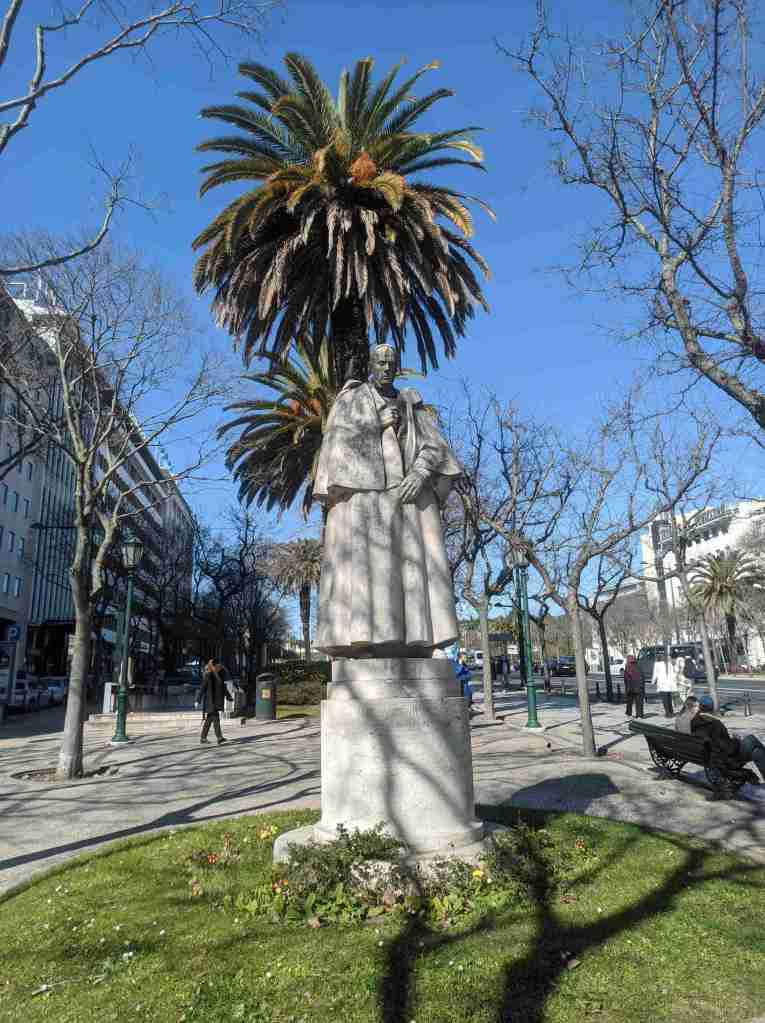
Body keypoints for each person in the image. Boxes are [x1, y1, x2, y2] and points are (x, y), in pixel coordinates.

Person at [314, 343, 463, 657]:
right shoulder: (352, 399)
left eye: (391, 363)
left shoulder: (411, 403)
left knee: (412, 572)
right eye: (380, 362)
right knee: (372, 570)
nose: (385, 368)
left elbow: (436, 446)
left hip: (408, 497)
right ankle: (367, 642)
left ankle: (419, 642)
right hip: (368, 498)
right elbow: (337, 448)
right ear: (370, 364)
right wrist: (375, 423)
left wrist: (420, 473)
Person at [680, 695, 764, 782]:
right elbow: (728, 749)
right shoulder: (715, 724)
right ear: (712, 708)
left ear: (700, 707)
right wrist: (737, 741)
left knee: (757, 751)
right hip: (724, 760)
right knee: (751, 741)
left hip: (709, 757)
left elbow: (715, 742)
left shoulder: (694, 721)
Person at [198, 659, 231, 745]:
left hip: (216, 701)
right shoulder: (208, 675)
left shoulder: (219, 675)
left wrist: (228, 696)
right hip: (210, 701)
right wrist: (198, 700)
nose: (219, 667)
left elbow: (223, 687)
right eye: (217, 666)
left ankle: (203, 738)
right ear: (213, 666)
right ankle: (219, 737)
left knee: (209, 720)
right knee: (216, 718)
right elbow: (203, 688)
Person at [652, 650, 677, 718]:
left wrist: (653, 682)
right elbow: (673, 673)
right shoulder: (669, 663)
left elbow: (655, 674)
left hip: (662, 684)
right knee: (669, 698)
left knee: (665, 699)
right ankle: (671, 712)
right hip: (669, 684)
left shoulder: (657, 664)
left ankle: (668, 713)